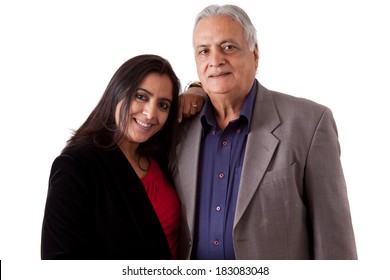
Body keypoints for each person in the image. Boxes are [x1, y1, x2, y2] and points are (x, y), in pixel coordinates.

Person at [169, 4, 358, 260]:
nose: (215, 60)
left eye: (228, 47)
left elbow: (334, 243)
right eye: (204, 51)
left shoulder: (310, 123)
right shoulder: (178, 128)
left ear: (255, 54)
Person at [42, 54, 184, 259]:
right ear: (117, 92)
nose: (151, 113)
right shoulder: (77, 165)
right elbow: (60, 262)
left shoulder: (160, 157)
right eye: (141, 96)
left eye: (163, 105)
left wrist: (197, 89)